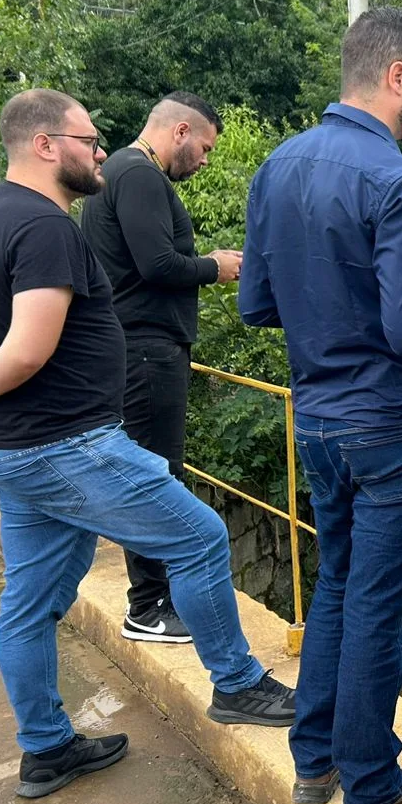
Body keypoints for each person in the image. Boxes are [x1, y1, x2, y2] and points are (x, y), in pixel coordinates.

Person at [0, 89, 297, 801]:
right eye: (88, 141)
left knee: (32, 599)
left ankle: (47, 750)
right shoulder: (46, 228)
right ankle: (238, 685)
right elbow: (25, 348)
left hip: (13, 449)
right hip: (64, 445)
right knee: (201, 537)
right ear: (46, 145)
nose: (100, 154)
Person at [239, 6, 402, 804]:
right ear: (396, 75)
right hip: (392, 427)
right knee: (376, 604)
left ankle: (316, 759)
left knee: (336, 584)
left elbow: (258, 303)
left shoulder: (277, 166)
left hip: (317, 421)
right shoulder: (399, 183)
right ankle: (373, 788)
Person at [80, 91, 243, 644]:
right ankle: (149, 605)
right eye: (203, 146)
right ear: (179, 131)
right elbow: (156, 266)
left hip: (136, 347)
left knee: (153, 470)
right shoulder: (140, 174)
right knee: (156, 474)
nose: (204, 160)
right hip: (146, 349)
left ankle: (156, 598)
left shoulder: (120, 173)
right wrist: (214, 267)